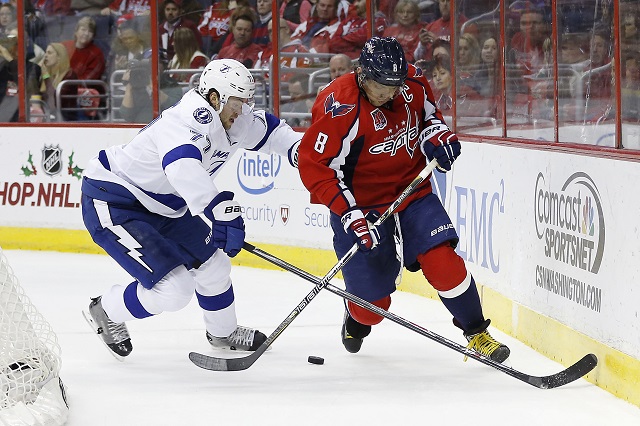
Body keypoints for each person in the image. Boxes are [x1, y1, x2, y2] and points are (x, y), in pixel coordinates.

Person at [297, 37, 510, 362]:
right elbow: (315, 166)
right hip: (361, 207)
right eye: (380, 87)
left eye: (393, 87)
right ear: (361, 73)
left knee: (443, 263)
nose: (388, 94)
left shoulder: (412, 81)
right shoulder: (338, 103)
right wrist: (347, 212)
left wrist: (437, 136)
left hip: (412, 192)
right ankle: (356, 313)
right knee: (373, 310)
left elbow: (429, 119)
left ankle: (477, 332)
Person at [81, 58, 302, 358]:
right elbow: (181, 167)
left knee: (215, 267)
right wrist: (218, 208)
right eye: (238, 102)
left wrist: (298, 150)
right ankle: (106, 309)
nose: (244, 110)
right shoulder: (186, 120)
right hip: (116, 201)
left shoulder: (234, 116)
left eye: (247, 101)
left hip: (165, 206)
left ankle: (223, 334)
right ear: (215, 98)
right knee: (174, 290)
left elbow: (271, 131)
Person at [38, 42, 78, 121]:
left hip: (65, 119)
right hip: (47, 116)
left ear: (59, 57)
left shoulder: (70, 75)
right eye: (45, 52)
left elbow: (54, 100)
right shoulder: (49, 74)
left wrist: (46, 76)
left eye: (49, 53)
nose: (45, 55)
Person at [159, 0, 202, 66]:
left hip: (184, 64)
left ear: (180, 11)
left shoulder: (189, 26)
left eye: (174, 9)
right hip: (164, 64)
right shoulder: (160, 28)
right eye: (168, 9)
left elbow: (198, 46)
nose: (170, 12)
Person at [62, 16, 106, 81]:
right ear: (76, 31)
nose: (86, 33)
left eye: (90, 31)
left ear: (93, 36)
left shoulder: (97, 54)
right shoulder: (63, 46)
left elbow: (86, 81)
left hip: (81, 89)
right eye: (83, 29)